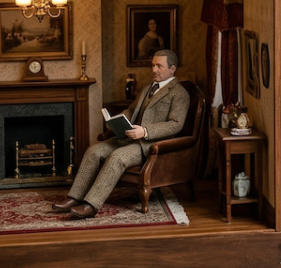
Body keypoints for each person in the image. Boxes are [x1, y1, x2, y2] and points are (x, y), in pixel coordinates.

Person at [53, 49, 188, 219]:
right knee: (94, 151)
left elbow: (175, 125)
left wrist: (145, 131)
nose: (154, 69)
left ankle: (91, 205)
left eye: (159, 66)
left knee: (117, 157)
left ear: (172, 68)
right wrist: (115, 120)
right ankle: (74, 198)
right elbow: (131, 110)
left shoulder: (180, 94)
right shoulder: (148, 88)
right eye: (153, 65)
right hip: (128, 138)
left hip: (149, 145)